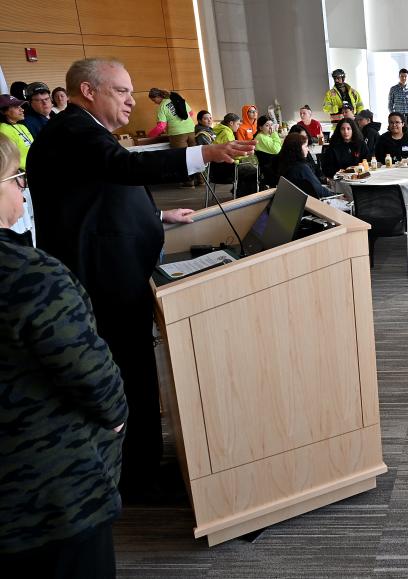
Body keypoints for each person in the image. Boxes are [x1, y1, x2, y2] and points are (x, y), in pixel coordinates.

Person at [26, 58, 253, 500]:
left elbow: (96, 196)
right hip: (104, 280)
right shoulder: (74, 130)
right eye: (121, 90)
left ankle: (141, 467)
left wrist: (156, 214)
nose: (132, 99)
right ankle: (139, 478)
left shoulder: (81, 131)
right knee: (130, 373)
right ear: (89, 91)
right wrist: (202, 153)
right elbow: (123, 169)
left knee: (135, 370)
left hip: (113, 271)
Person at [0, 133, 127, 577]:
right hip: (49, 496)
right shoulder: (30, 277)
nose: (21, 189)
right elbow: (90, 375)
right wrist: (116, 416)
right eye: (14, 178)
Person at [211, 112, 259, 196]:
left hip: (214, 170)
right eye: (237, 124)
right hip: (225, 170)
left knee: (247, 168)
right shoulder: (227, 133)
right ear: (231, 123)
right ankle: (244, 195)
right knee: (254, 171)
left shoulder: (219, 130)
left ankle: (239, 191)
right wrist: (247, 153)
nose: (239, 126)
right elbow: (233, 153)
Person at [278, 132, 332, 199]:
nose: (308, 149)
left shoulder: (284, 165)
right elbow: (319, 190)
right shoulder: (302, 168)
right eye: (306, 146)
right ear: (298, 148)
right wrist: (336, 195)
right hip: (314, 203)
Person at [0, 94, 32, 170]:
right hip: (21, 175)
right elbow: (8, 160)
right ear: (3, 111)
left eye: (20, 106)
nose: (22, 109)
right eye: (16, 107)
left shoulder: (22, 126)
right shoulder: (3, 130)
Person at [255, 115, 282, 187]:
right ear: (260, 127)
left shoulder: (266, 135)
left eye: (271, 125)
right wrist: (274, 133)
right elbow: (277, 150)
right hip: (270, 169)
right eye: (267, 125)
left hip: (273, 166)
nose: (270, 127)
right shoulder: (261, 137)